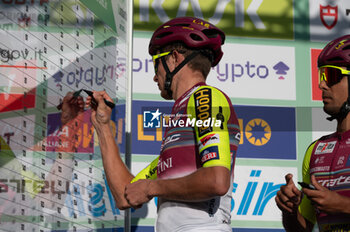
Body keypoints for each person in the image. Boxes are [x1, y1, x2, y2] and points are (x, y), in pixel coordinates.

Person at [85, 17, 241, 231]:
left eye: (156, 62)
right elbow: (125, 194)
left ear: (174, 59)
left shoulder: (204, 96)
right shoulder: (182, 124)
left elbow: (216, 180)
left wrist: (151, 187)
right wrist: (102, 126)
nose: (154, 76)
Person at [275, 35, 350, 232]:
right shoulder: (316, 150)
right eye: (321, 76)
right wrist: (290, 211)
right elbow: (303, 229)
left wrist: (342, 205)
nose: (322, 85)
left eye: (332, 76)